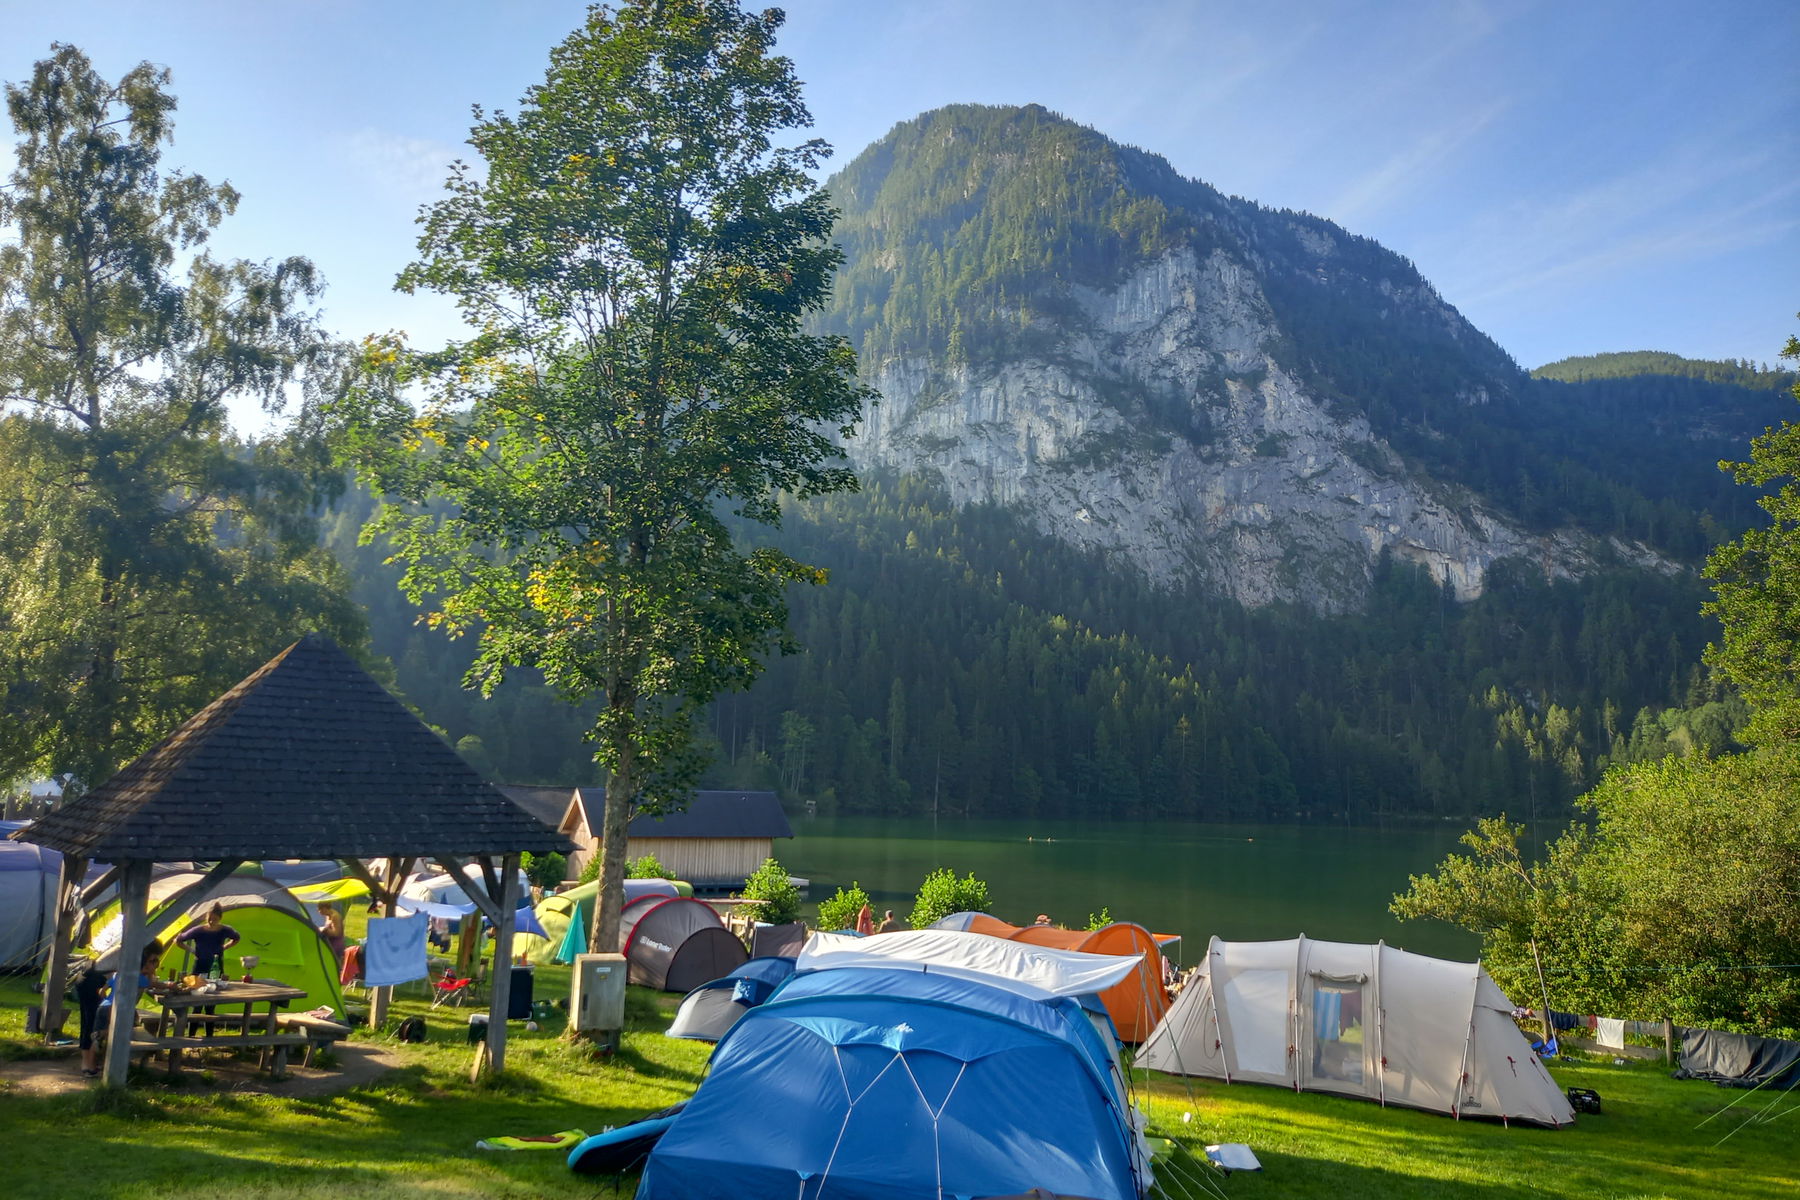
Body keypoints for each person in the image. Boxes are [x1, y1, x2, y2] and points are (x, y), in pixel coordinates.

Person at [91, 944, 167, 1076]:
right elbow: (154, 984)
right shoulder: (139, 978)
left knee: (103, 1036)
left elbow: (102, 990)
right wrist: (153, 974)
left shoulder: (119, 973)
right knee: (114, 1037)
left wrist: (105, 996)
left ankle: (95, 1064)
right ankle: (109, 1067)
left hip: (104, 1006)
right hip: (116, 1009)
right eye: (151, 962)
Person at [175, 903, 240, 977]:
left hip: (216, 964)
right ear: (206, 918)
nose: (211, 922)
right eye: (210, 919)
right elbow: (178, 940)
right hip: (200, 964)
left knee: (217, 985)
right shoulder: (198, 930)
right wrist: (192, 950)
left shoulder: (225, 930)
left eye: (215, 919)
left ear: (220, 918)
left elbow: (236, 938)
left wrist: (224, 947)